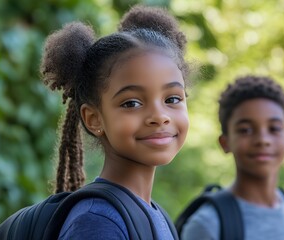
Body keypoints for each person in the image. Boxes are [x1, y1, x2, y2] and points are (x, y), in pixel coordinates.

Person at [40, 5, 189, 239]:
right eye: (132, 103)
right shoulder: (98, 221)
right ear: (94, 118)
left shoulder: (156, 216)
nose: (160, 116)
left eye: (172, 99)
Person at [180, 75, 284, 240]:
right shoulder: (208, 224)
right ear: (225, 142)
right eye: (245, 130)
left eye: (274, 128)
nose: (262, 140)